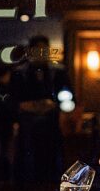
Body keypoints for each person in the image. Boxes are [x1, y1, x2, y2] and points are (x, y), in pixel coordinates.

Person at [11, 35, 71, 182]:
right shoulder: (20, 73)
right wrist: (27, 106)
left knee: (50, 169)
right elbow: (12, 101)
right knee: (28, 168)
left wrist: (54, 104)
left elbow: (69, 99)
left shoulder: (58, 72)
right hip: (28, 129)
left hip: (51, 127)